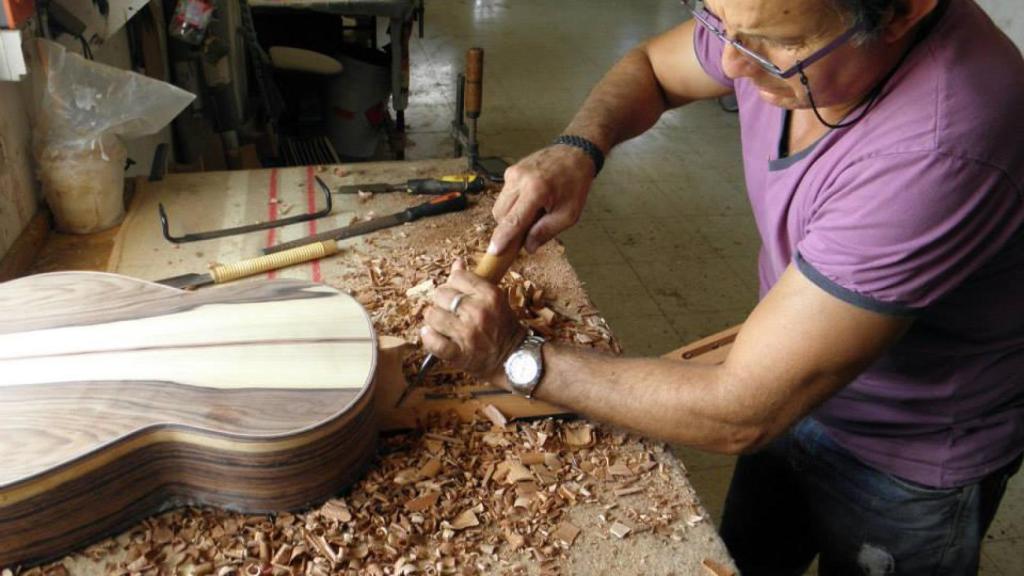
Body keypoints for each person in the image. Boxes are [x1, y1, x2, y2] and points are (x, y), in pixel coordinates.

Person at [420, 0, 1024, 573]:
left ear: (902, 11)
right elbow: (655, 68)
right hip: (791, 368)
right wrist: (579, 147)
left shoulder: (941, 148)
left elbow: (743, 411)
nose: (731, 62)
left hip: (908, 452)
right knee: (747, 557)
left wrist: (514, 358)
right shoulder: (776, 24)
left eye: (776, 43)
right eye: (719, 20)